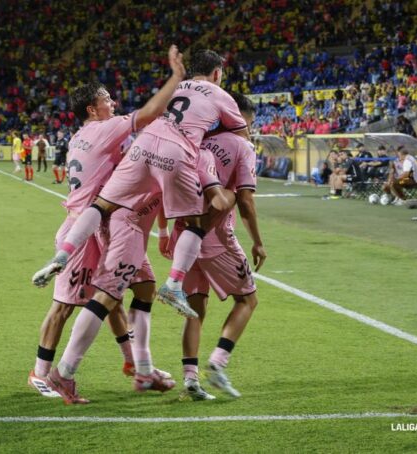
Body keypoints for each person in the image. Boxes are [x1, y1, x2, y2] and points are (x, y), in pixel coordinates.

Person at [36, 50, 249, 318]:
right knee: (194, 225)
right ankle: (174, 284)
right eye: (107, 99)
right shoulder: (220, 95)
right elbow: (242, 137)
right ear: (217, 73)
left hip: (143, 147)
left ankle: (63, 254)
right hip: (176, 155)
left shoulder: (174, 89)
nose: (113, 102)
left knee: (101, 206)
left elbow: (156, 112)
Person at [29, 44, 188, 404]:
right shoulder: (103, 129)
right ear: (92, 109)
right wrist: (176, 78)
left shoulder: (81, 136)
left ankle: (136, 364)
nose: (113, 103)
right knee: (67, 305)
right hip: (85, 228)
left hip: (103, 223)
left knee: (130, 290)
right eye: (106, 99)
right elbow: (149, 113)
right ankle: (42, 373)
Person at [162, 93, 265, 400]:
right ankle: (218, 363)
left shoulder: (197, 141)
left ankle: (191, 380)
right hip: (215, 238)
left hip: (184, 235)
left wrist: (164, 230)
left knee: (195, 310)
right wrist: (258, 242)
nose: (250, 129)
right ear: (241, 118)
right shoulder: (243, 146)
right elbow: (245, 201)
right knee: (247, 300)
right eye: (250, 123)